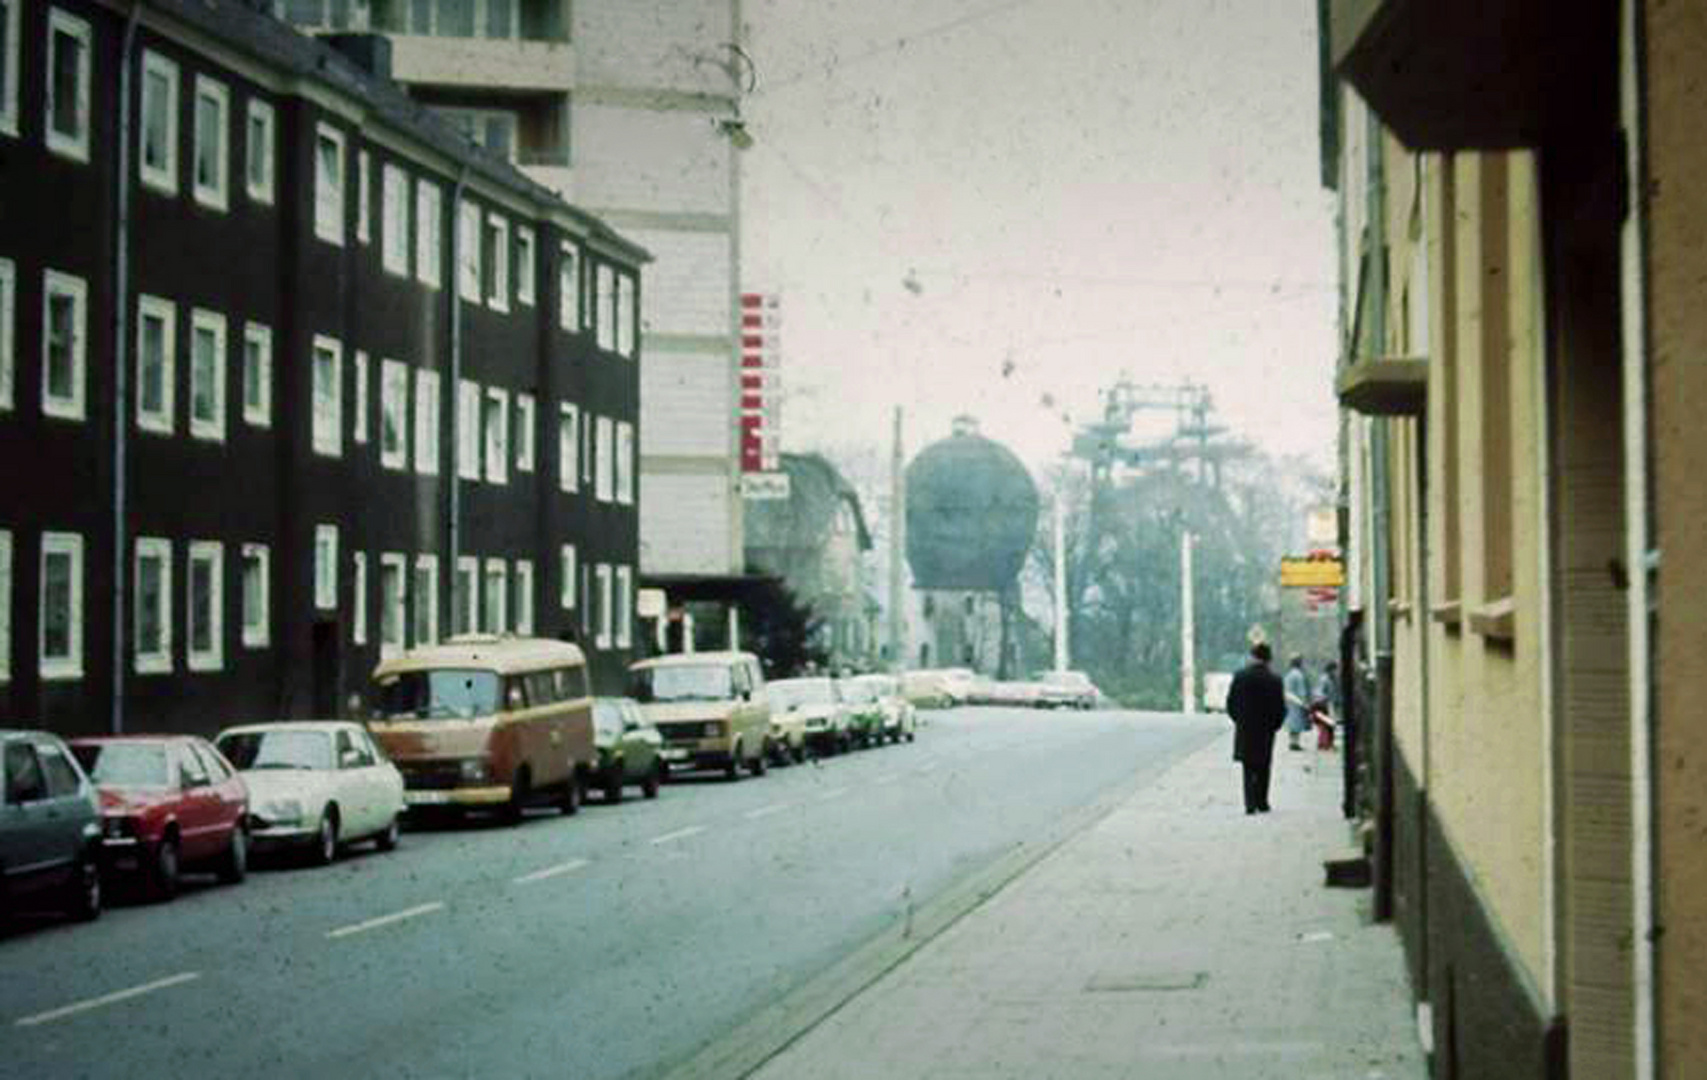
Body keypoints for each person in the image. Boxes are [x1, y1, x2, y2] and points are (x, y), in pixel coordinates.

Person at [1225, 642, 1286, 815]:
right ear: (1269, 659)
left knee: (1248, 766)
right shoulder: (1275, 680)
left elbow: (1230, 704)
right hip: (1266, 730)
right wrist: (1275, 725)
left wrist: (1240, 720)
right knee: (1264, 765)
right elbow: (1280, 708)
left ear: (1253, 656)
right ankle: (1262, 801)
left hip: (1246, 728)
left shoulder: (1240, 676)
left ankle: (1249, 803)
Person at [1283, 655, 1311, 751]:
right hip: (1297, 701)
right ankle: (1295, 743)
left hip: (1289, 701)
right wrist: (1305, 703)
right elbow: (1301, 690)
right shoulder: (1299, 675)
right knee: (1297, 723)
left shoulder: (1289, 674)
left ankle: (1292, 742)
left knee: (1292, 723)